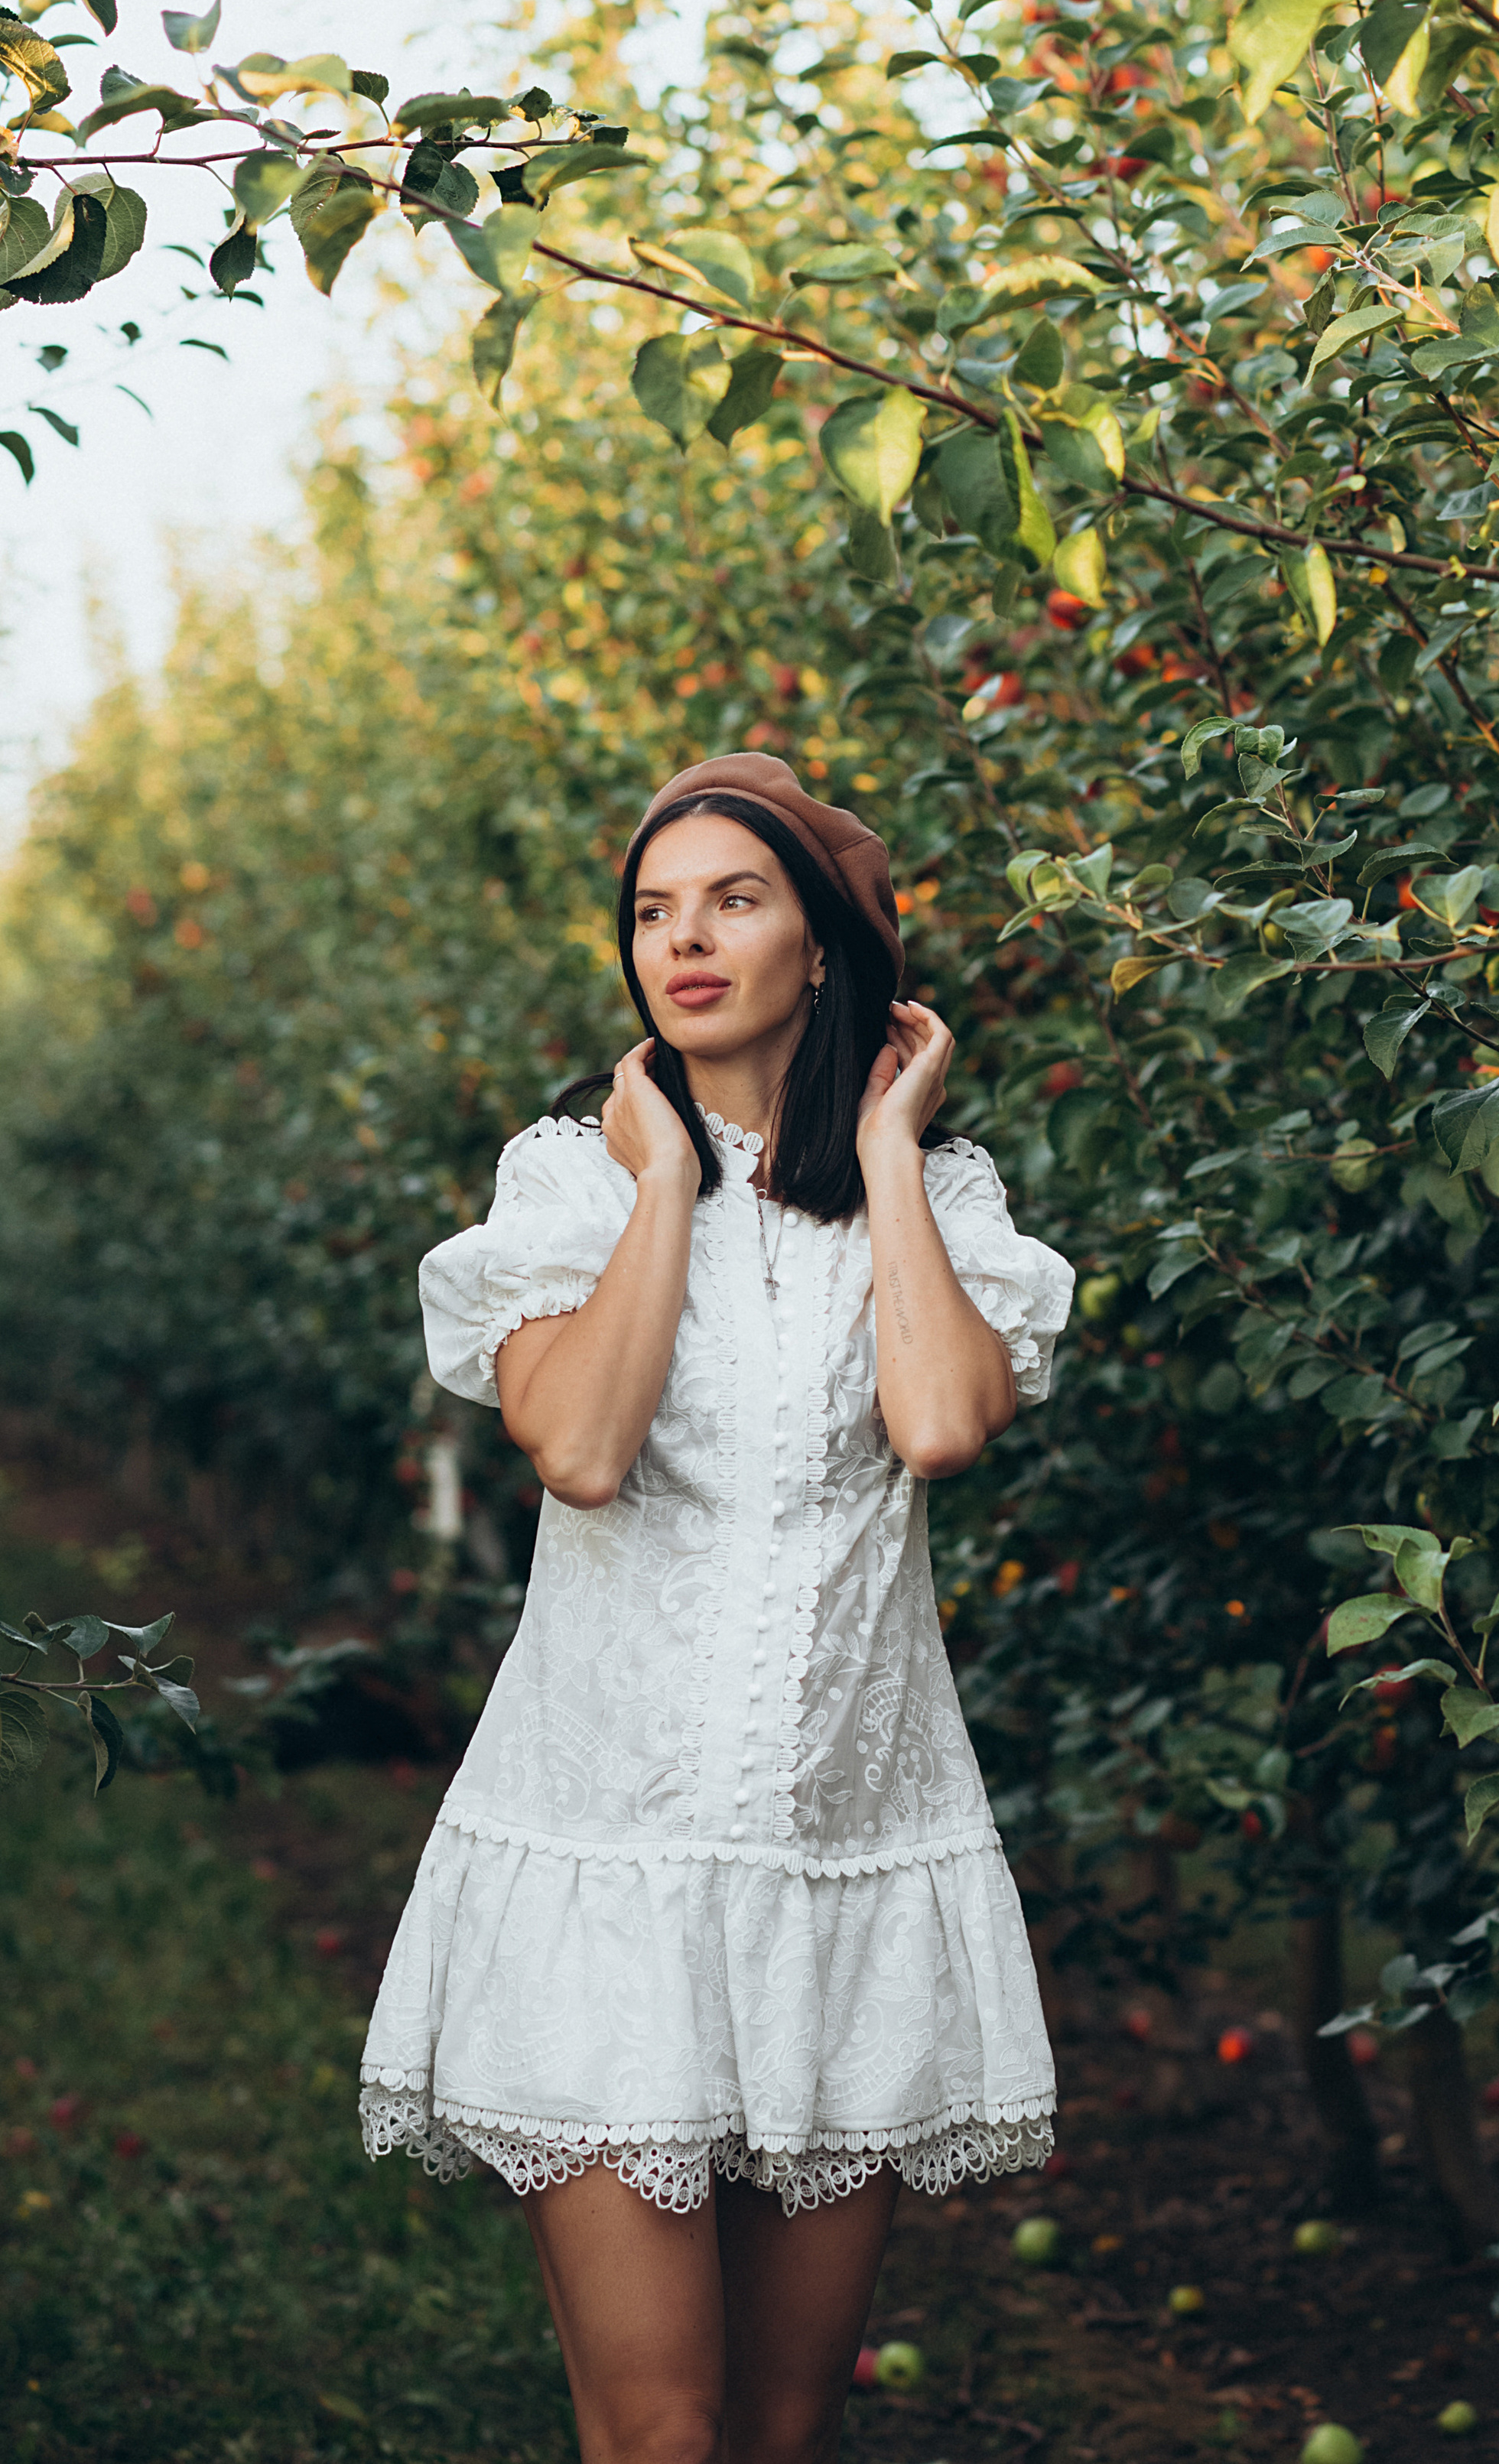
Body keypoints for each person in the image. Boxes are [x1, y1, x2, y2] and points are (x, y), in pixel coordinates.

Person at [359, 752, 1073, 2464]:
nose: (681, 940)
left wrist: (890, 1147)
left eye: (732, 900)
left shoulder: (940, 1197)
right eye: (651, 910)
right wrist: (665, 1182)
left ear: (821, 949)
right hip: (610, 1865)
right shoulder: (566, 1186)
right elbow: (582, 1447)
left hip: (842, 1869)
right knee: (661, 2434)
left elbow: (938, 1419)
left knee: (778, 2430)